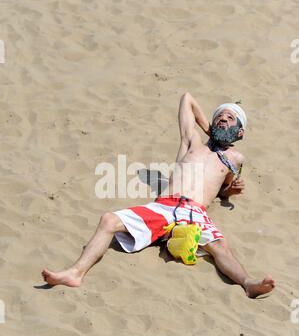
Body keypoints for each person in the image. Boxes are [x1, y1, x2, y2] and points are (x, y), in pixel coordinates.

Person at [42, 92, 275, 298]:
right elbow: (187, 99)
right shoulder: (192, 142)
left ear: (240, 131)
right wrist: (211, 130)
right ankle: (75, 273)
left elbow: (221, 190)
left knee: (221, 247)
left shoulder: (234, 159)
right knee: (108, 220)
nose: (223, 119)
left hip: (195, 212)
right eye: (219, 117)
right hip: (165, 206)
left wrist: (229, 192)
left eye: (229, 119)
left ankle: (248, 284)